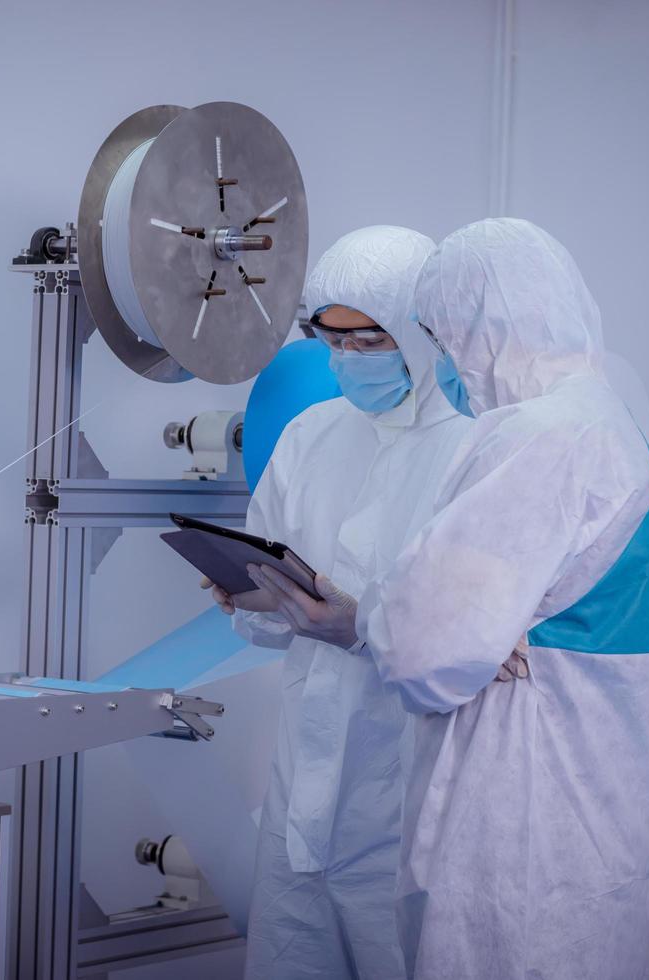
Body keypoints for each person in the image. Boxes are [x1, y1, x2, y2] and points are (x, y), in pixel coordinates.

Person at [248, 218, 649, 979]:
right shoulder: (602, 423)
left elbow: (428, 650)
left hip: (525, 817)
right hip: (587, 816)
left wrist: (371, 621)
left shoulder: (540, 436)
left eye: (439, 338)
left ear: (481, 324)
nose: (443, 360)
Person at [206, 225, 473, 979]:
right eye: (331, 340)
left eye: (368, 341)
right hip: (303, 778)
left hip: (407, 788)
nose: (346, 360)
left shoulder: (473, 449)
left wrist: (361, 628)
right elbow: (271, 612)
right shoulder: (311, 435)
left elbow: (476, 637)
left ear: (422, 333)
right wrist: (247, 593)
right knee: (292, 949)